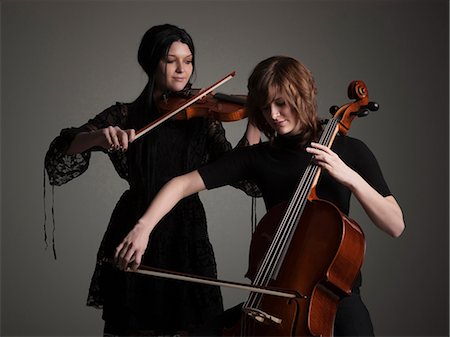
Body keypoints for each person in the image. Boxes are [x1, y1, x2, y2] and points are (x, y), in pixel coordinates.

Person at [115, 55, 405, 336]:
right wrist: (143, 228)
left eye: (281, 103)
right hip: (275, 298)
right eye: (266, 108)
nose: (274, 116)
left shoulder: (350, 151)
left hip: (338, 299)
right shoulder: (257, 158)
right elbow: (180, 184)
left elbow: (395, 225)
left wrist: (350, 177)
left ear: (303, 96)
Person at [44, 24, 260, 336]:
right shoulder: (125, 115)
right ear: (151, 63)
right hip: (134, 222)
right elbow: (61, 152)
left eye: (188, 61)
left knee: (194, 327)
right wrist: (97, 138)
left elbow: (242, 174)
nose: (182, 70)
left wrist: (253, 121)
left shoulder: (203, 119)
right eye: (171, 60)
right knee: (133, 325)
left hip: (186, 230)